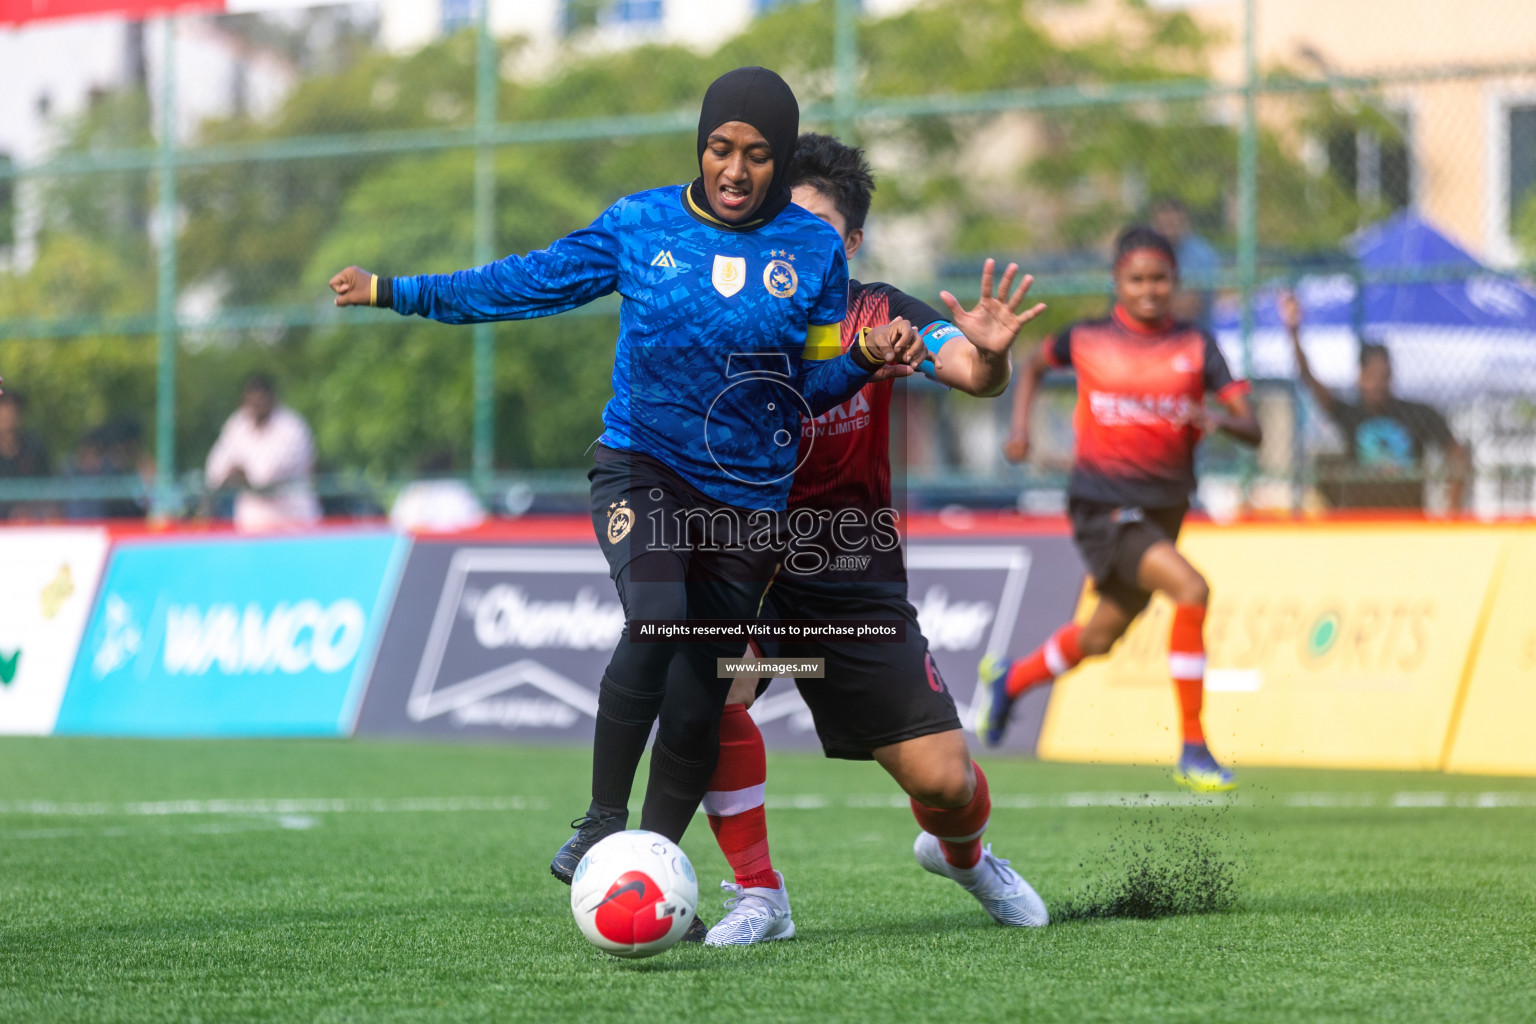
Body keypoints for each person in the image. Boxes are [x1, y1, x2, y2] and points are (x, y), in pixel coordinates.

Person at [328, 70, 924, 896]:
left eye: (757, 155)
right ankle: (604, 818)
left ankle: (648, 866)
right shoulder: (640, 224)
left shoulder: (813, 248)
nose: (736, 169)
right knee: (657, 617)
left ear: (780, 161)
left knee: (697, 696)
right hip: (642, 466)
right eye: (721, 148)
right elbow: (523, 283)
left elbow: (809, 385)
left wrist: (859, 359)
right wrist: (398, 292)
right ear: (701, 146)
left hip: (748, 502)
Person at [696, 133, 1050, 946]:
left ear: (850, 243)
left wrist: (992, 361)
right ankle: (760, 895)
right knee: (715, 686)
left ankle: (964, 858)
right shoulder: (728, 313)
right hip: (753, 575)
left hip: (852, 581)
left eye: (817, 226)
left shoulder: (879, 313)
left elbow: (963, 366)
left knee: (947, 782)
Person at [985, 225, 1262, 792]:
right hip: (1102, 505)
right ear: (1117, 282)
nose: (1149, 289)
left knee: (1099, 638)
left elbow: (1253, 426)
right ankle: (1193, 746)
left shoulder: (1197, 347)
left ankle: (1012, 680)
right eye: (1137, 279)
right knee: (1192, 589)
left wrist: (1219, 420)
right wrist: (1020, 430)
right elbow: (1034, 363)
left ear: (1176, 282)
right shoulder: (1086, 337)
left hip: (1163, 509)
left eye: (1160, 278)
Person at [1280, 292, 1468, 510]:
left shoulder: (1417, 414)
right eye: (1371, 377)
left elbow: (1456, 453)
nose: (1378, 385)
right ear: (1359, 377)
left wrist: (1453, 504)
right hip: (1361, 522)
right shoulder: (1350, 414)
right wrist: (1294, 332)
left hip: (1407, 522)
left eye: (1384, 377)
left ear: (1392, 377)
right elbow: (1309, 379)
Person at [204, 374, 322, 532]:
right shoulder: (238, 424)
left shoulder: (291, 428)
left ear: (272, 398)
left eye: (260, 400)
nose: (255, 406)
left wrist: (239, 473)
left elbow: (265, 478)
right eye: (251, 401)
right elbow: (215, 471)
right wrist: (236, 474)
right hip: (251, 527)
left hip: (293, 526)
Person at [1150, 198, 1220, 331]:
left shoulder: (1200, 255)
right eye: (1162, 223)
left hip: (1193, 336)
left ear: (1184, 221)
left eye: (1172, 222)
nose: (1167, 229)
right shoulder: (1149, 251)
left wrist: (1151, 301)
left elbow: (1189, 308)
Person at [0, 389, 53, 521]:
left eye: (13, 411)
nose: (9, 418)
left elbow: (48, 487)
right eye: (4, 411)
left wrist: (27, 509)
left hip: (31, 516)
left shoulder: (34, 448)